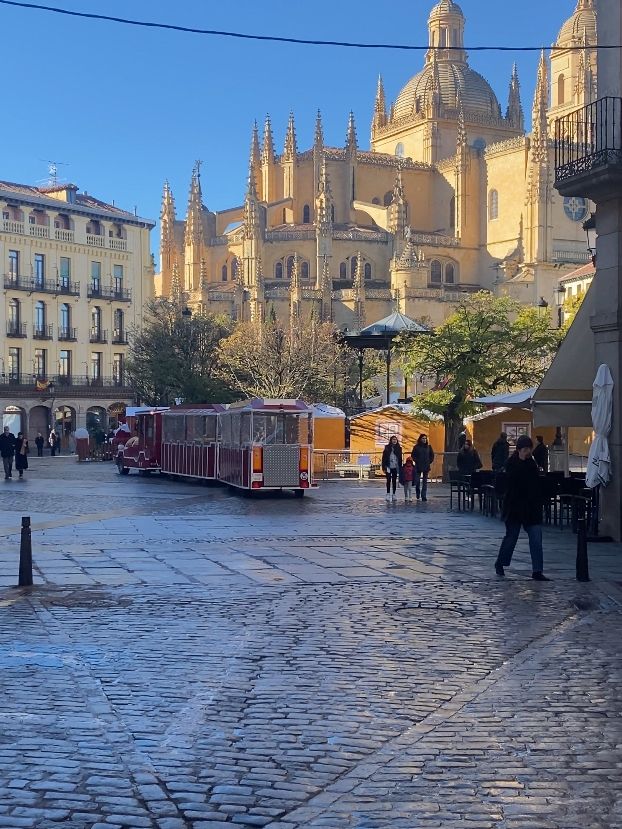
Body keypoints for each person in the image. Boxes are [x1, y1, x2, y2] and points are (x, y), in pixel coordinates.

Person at [495, 435, 549, 581]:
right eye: (525, 449)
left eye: (529, 449)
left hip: (531, 509)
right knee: (511, 538)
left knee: (536, 539)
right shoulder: (510, 464)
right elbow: (505, 484)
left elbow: (536, 485)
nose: (527, 452)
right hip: (514, 508)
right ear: (518, 450)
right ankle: (500, 563)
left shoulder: (532, 465)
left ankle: (537, 571)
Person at [411, 433, 435, 502]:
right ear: (420, 439)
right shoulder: (416, 447)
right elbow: (413, 455)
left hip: (426, 466)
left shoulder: (429, 447)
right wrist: (417, 461)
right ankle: (417, 492)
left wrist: (429, 461)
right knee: (417, 480)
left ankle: (423, 495)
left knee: (425, 482)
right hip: (418, 466)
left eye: (425, 438)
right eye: (423, 438)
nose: (424, 440)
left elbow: (432, 455)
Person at [381, 435, 403, 502]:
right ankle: (388, 494)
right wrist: (383, 466)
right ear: (391, 440)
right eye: (393, 439)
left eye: (395, 440)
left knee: (394, 480)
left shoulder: (399, 448)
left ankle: (394, 494)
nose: (394, 441)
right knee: (388, 480)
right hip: (388, 466)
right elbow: (384, 457)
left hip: (395, 467)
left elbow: (400, 458)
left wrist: (400, 467)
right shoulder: (387, 447)